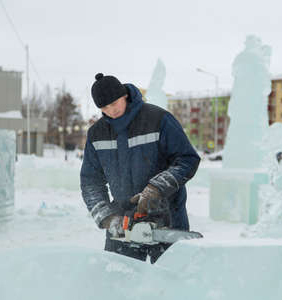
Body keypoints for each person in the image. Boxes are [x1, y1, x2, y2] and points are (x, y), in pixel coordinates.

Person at [80, 73, 200, 263]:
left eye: (114, 103)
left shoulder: (158, 119)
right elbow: (90, 181)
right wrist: (107, 217)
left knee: (170, 285)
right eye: (104, 107)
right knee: (118, 283)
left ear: (124, 96)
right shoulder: (97, 134)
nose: (111, 111)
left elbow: (187, 159)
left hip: (167, 218)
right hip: (122, 222)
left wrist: (156, 188)